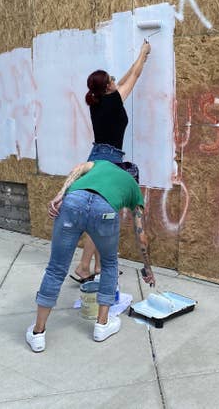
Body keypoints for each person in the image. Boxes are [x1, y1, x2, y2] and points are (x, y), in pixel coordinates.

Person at [26, 160, 156, 351]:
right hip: (105, 212)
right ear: (135, 180)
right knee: (110, 263)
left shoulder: (101, 164)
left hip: (72, 202)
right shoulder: (134, 189)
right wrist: (148, 268)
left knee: (56, 269)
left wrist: (60, 194)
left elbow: (77, 169)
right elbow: (141, 235)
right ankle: (102, 325)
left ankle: (38, 333)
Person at [70, 41, 151, 284]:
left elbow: (124, 78)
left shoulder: (98, 101)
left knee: (100, 215)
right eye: (111, 79)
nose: (116, 81)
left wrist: (140, 59)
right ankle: (83, 267)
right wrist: (143, 53)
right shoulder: (113, 100)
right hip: (109, 160)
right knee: (101, 217)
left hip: (96, 157)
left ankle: (97, 267)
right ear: (108, 87)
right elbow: (133, 76)